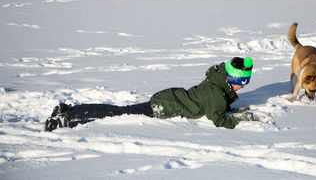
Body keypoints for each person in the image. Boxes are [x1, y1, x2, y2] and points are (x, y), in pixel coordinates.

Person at [45, 57, 254, 131]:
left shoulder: (217, 83)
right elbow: (217, 118)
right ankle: (69, 117)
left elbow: (219, 105)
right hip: (163, 108)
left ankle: (68, 111)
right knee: (115, 114)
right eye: (241, 82)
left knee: (119, 111)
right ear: (232, 79)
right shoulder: (216, 92)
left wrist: (233, 109)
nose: (243, 86)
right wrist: (236, 120)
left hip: (168, 99)